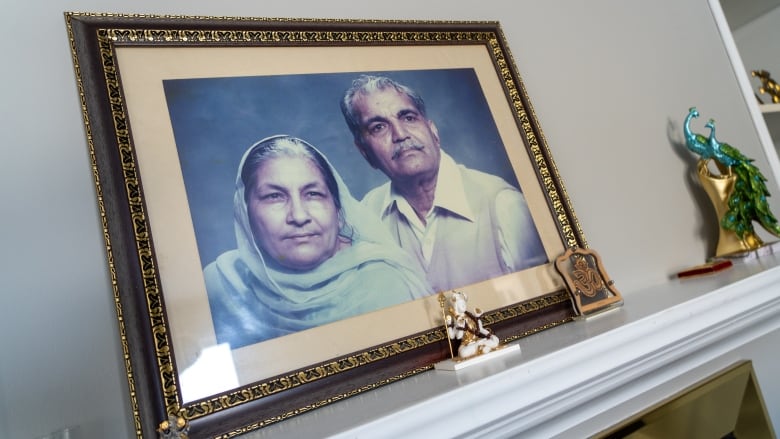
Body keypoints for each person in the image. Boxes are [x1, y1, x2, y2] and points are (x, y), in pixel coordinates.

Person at [203, 135, 431, 349]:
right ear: (245, 213)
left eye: (313, 194)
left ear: (337, 207)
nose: (299, 216)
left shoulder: (389, 281)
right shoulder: (219, 286)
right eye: (274, 196)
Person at [340, 75, 547, 292]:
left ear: (433, 131)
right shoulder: (366, 218)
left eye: (408, 118)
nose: (400, 134)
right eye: (378, 127)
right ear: (365, 153)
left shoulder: (504, 205)